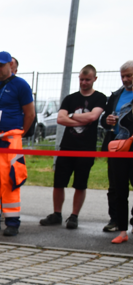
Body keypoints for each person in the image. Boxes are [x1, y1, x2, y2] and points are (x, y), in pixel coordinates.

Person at [40, 65, 106, 231]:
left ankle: (74, 216)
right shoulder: (70, 99)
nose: (84, 83)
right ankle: (57, 214)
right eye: (81, 79)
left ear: (94, 79)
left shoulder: (100, 98)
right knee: (58, 182)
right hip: (67, 147)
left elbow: (93, 116)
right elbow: (60, 119)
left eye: (87, 80)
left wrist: (71, 116)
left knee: (80, 184)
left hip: (86, 148)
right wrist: (80, 119)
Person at [0, 52, 35, 237]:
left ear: (10, 65)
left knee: (10, 179)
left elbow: (30, 114)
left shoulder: (21, 85)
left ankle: (12, 221)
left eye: (1, 65)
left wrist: (19, 133)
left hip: (10, 139)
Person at [102, 60, 133, 244]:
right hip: (118, 146)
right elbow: (103, 121)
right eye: (123, 76)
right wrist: (108, 120)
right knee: (119, 189)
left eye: (129, 75)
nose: (125, 79)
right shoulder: (115, 95)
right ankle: (122, 229)